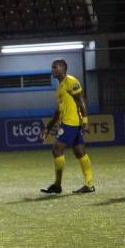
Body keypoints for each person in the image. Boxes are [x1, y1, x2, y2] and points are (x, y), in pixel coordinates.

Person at [40, 59, 95, 194]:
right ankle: (89, 184)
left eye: (55, 67)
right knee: (79, 152)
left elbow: (81, 101)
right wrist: (48, 126)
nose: (52, 70)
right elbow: (58, 111)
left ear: (63, 68)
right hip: (70, 122)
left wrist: (86, 121)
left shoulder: (71, 81)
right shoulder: (60, 87)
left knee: (57, 149)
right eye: (52, 67)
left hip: (71, 122)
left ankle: (57, 185)